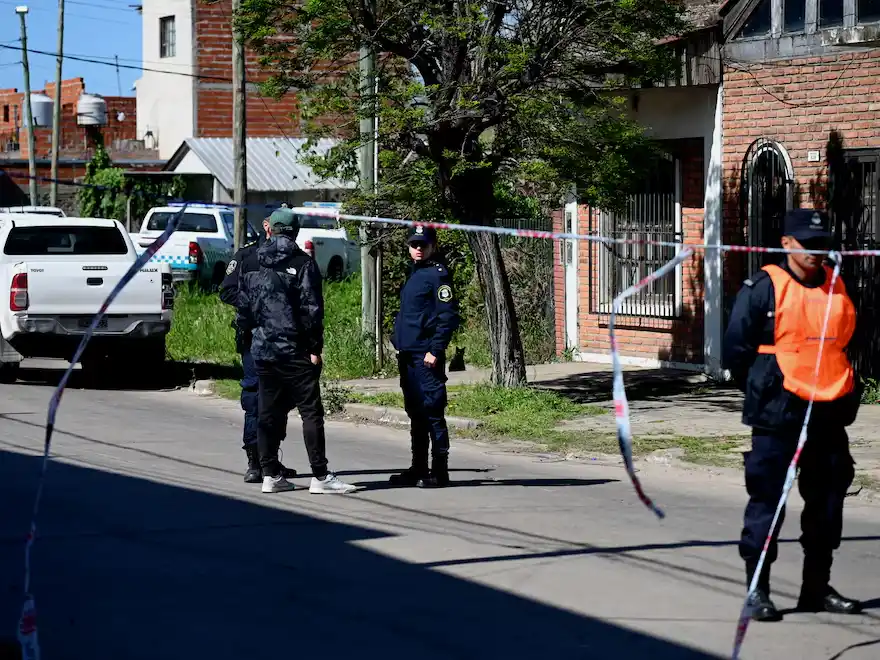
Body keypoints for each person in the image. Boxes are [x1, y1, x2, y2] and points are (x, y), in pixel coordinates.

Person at [723, 208, 862, 622]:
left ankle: (816, 589)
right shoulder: (763, 288)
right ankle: (757, 590)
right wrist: (767, 386)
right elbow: (736, 351)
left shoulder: (837, 286)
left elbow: (847, 339)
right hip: (777, 415)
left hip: (829, 413)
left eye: (824, 246)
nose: (818, 254)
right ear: (786, 244)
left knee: (827, 504)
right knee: (769, 502)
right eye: (810, 246)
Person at [237, 208, 357, 495]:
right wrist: (315, 348)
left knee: (267, 413)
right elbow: (312, 311)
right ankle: (320, 475)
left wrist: (252, 338)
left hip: (263, 350)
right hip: (295, 351)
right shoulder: (303, 263)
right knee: (311, 413)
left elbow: (243, 306)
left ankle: (270, 474)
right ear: (294, 232)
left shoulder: (251, 261)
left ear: (271, 229)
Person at [219, 213, 296, 484]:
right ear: (266, 226)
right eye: (276, 226)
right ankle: (254, 461)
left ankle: (271, 460)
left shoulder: (293, 257)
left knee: (281, 399)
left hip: (285, 340)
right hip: (254, 336)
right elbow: (227, 291)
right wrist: (258, 305)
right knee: (254, 397)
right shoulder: (247, 257)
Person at [389, 225, 460, 488]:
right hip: (408, 355)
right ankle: (418, 468)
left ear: (433, 247)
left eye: (423, 245)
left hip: (426, 356)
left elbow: (447, 317)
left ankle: (439, 471)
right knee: (416, 412)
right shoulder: (414, 273)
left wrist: (435, 350)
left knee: (432, 412)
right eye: (414, 244)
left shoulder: (438, 275)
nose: (418, 249)